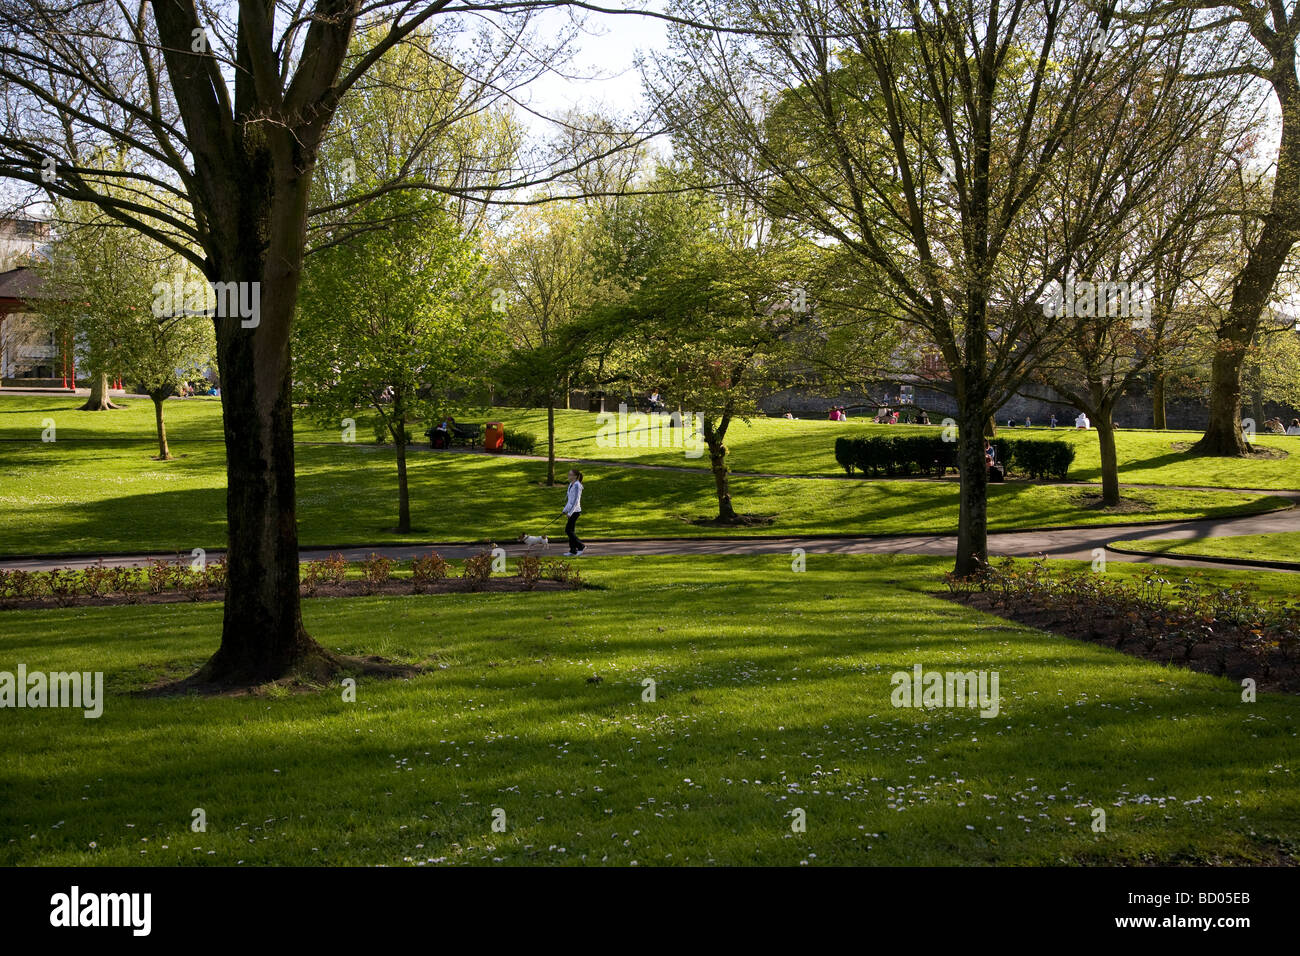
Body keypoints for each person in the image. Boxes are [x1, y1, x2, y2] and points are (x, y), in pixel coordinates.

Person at [562, 469, 585, 556]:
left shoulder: (577, 486)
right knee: (571, 530)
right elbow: (570, 500)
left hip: (575, 511)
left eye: (570, 475)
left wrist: (570, 513)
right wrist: (565, 510)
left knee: (568, 530)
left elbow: (576, 501)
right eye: (568, 474)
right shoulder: (571, 485)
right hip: (571, 511)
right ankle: (573, 550)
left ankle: (581, 546)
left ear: (575, 476)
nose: (569, 476)